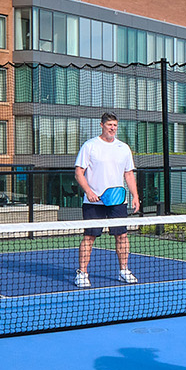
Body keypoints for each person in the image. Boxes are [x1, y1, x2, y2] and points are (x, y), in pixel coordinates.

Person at [73, 112, 140, 288]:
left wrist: (135, 196)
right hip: (93, 202)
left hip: (117, 201)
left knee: (122, 236)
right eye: (110, 125)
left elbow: (128, 173)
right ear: (102, 125)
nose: (113, 128)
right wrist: (88, 191)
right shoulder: (90, 146)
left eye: (115, 125)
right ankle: (82, 273)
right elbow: (79, 172)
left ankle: (124, 270)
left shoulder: (123, 148)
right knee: (89, 237)